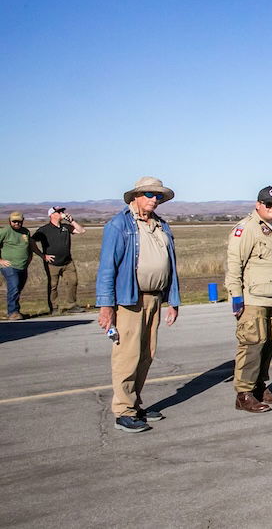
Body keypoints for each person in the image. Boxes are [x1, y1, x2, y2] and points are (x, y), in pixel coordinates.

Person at [96, 177, 180, 432]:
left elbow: (172, 266)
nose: (154, 199)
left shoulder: (161, 226)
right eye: (148, 194)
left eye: (157, 196)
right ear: (135, 196)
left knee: (146, 354)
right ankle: (123, 411)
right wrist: (106, 306)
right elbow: (107, 269)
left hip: (155, 297)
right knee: (127, 356)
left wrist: (172, 301)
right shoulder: (119, 225)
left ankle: (134, 404)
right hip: (129, 299)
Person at [227, 186, 272, 413]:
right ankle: (243, 393)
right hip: (253, 298)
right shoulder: (246, 229)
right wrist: (236, 295)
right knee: (252, 345)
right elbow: (234, 264)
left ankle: (259, 386)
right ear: (258, 205)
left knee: (269, 344)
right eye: (268, 204)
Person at [32, 206, 86, 314]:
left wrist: (72, 221)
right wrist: (43, 256)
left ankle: (71, 305)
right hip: (52, 264)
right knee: (53, 286)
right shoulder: (44, 230)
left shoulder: (66, 227)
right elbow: (31, 242)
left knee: (72, 282)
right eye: (59, 212)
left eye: (62, 211)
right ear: (51, 215)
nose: (62, 213)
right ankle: (54, 307)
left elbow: (82, 231)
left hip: (67, 262)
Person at [1, 211, 33, 319]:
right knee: (14, 287)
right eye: (14, 221)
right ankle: (12, 312)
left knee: (18, 288)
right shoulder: (5, 231)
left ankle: (16, 311)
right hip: (9, 266)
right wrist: (0, 260)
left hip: (23, 266)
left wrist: (29, 258)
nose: (17, 224)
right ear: (9, 221)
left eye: (19, 221)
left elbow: (29, 246)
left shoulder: (26, 232)